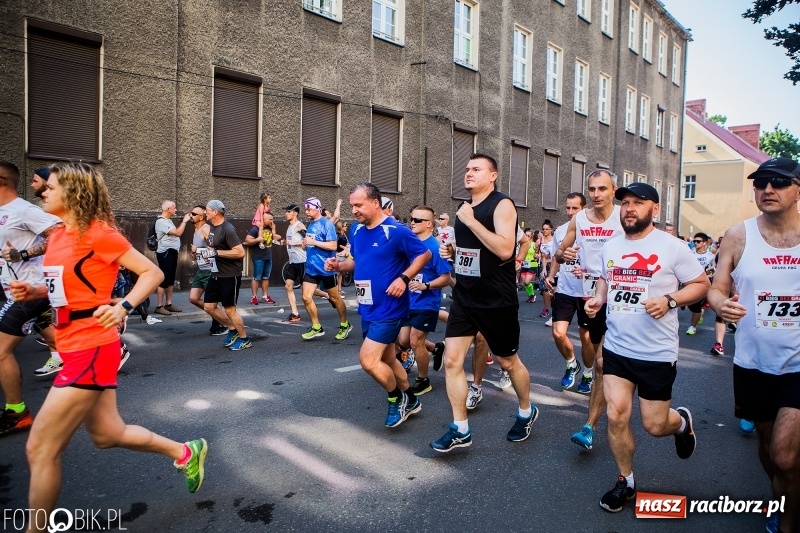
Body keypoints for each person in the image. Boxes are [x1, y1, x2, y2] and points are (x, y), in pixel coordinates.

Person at [9, 162, 207, 530]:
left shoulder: (99, 234)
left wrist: (123, 306)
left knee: (40, 448)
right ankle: (184, 451)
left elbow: (152, 273)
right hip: (71, 343)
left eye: (51, 186)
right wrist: (34, 291)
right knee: (107, 434)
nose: (43, 191)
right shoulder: (59, 235)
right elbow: (64, 287)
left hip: (92, 346)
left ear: (74, 191)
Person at [584, 182, 709, 513]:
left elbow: (701, 284)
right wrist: (599, 298)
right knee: (616, 414)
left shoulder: (673, 247)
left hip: (656, 352)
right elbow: (606, 278)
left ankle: (681, 424)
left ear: (654, 209)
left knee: (654, 425)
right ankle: (625, 481)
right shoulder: (611, 246)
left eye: (638, 203)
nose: (629, 208)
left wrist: (670, 300)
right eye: (625, 202)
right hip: (618, 348)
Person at [707, 157, 800, 533]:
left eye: (779, 182)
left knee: (784, 453)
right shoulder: (738, 235)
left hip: (797, 364)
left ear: (798, 190)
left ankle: (789, 521)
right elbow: (716, 287)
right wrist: (720, 305)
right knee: (767, 448)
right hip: (752, 363)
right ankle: (782, 496)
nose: (768, 189)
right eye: (761, 183)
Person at [431, 153, 538, 452]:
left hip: (496, 300)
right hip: (465, 297)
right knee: (452, 361)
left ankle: (526, 410)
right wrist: (453, 252)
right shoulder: (465, 207)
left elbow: (504, 249)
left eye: (476, 169)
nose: (469, 173)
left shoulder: (501, 204)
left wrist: (470, 220)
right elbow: (475, 252)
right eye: (467, 169)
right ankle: (460, 428)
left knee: (507, 361)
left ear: (492, 176)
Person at [325, 183, 430, 427]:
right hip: (368, 307)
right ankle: (412, 399)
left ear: (375, 203)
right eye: (352, 205)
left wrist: (403, 279)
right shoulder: (357, 230)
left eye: (358, 205)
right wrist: (339, 266)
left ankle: (396, 399)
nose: (354, 210)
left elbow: (424, 255)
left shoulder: (396, 231)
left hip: (389, 307)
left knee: (368, 361)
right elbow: (357, 262)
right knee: (389, 359)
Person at [554, 169, 624, 450]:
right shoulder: (579, 219)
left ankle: (589, 426)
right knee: (596, 356)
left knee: (603, 363)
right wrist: (565, 254)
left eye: (602, 189)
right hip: (591, 295)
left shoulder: (624, 216)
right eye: (592, 189)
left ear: (614, 190)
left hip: (620, 296)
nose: (596, 194)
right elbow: (560, 253)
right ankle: (608, 393)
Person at [0, 161, 61, 436]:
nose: (44, 192)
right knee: (48, 332)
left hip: (32, 290)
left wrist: (23, 254)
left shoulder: (24, 210)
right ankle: (97, 354)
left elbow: (59, 235)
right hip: (14, 289)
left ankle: (17, 412)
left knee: (1, 350)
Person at [398, 206, 452, 395]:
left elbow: (446, 278)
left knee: (415, 341)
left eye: (417, 220)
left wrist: (425, 285)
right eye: (411, 219)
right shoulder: (409, 244)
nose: (412, 223)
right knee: (403, 340)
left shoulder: (435, 248)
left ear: (429, 224)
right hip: (407, 301)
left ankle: (423, 380)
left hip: (426, 302)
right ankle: (437, 348)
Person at [545, 193, 594, 397]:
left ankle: (588, 374)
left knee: (586, 337)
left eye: (575, 208)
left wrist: (588, 272)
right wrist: (551, 276)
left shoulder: (593, 230)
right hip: (565, 289)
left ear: (584, 208)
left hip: (588, 291)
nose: (570, 212)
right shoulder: (561, 231)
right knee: (558, 332)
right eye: (568, 208)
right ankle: (571, 363)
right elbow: (557, 256)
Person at [300, 197, 351, 341]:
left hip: (326, 267)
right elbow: (312, 244)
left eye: (309, 209)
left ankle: (344, 324)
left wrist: (313, 242)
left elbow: (333, 246)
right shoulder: (310, 224)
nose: (306, 212)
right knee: (306, 297)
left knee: (335, 298)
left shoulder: (327, 224)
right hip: (312, 268)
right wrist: (305, 245)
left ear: (317, 208)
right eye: (306, 209)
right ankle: (316, 326)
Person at [201, 200, 250, 351]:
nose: (205, 212)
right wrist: (205, 256)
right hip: (216, 273)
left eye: (207, 210)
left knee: (230, 310)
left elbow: (240, 252)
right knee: (209, 306)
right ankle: (232, 329)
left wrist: (216, 253)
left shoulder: (228, 229)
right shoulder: (212, 228)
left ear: (215, 212)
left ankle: (244, 339)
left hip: (230, 275)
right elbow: (213, 248)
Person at [187, 205, 227, 336]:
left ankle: (222, 323)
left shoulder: (206, 229)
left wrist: (197, 250)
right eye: (191, 213)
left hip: (210, 270)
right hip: (201, 269)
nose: (190, 215)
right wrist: (195, 254)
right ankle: (220, 317)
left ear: (201, 217)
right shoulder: (196, 230)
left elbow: (215, 250)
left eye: (193, 214)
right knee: (193, 298)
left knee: (211, 302)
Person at [153, 200, 191, 315]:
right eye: (174, 207)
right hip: (165, 253)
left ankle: (168, 304)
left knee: (170, 280)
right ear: (168, 209)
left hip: (172, 252)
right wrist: (184, 221)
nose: (176, 209)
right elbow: (177, 233)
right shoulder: (161, 222)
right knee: (164, 279)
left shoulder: (167, 220)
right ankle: (159, 306)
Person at [685, 232, 715, 336]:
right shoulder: (690, 254)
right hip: (691, 282)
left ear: (705, 243)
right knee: (691, 304)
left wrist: (709, 274)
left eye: (698, 241)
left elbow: (713, 270)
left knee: (696, 305)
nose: (695, 243)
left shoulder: (710, 256)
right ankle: (699, 313)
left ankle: (692, 327)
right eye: (694, 241)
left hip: (704, 283)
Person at [245, 212, 278, 305]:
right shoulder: (255, 228)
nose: (272, 221)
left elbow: (275, 238)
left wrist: (274, 229)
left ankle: (265, 297)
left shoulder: (270, 228)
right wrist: (257, 240)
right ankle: (254, 297)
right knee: (256, 277)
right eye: (270, 219)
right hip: (258, 257)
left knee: (266, 277)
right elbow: (247, 240)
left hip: (268, 257)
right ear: (264, 219)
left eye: (272, 219)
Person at [280, 204, 306, 323]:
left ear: (295, 213)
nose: (286, 213)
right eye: (286, 211)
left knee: (307, 291)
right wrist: (285, 242)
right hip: (293, 262)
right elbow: (291, 241)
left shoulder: (299, 225)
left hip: (302, 261)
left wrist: (292, 243)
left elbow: (307, 241)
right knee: (288, 286)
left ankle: (327, 295)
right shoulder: (289, 227)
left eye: (288, 211)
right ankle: (295, 314)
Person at [537, 220, 555, 318]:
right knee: (544, 289)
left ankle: (555, 307)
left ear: (551, 230)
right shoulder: (540, 240)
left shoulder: (555, 240)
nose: (544, 231)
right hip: (544, 265)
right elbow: (542, 255)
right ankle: (545, 308)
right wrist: (543, 268)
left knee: (553, 288)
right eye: (543, 229)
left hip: (554, 266)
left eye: (547, 229)